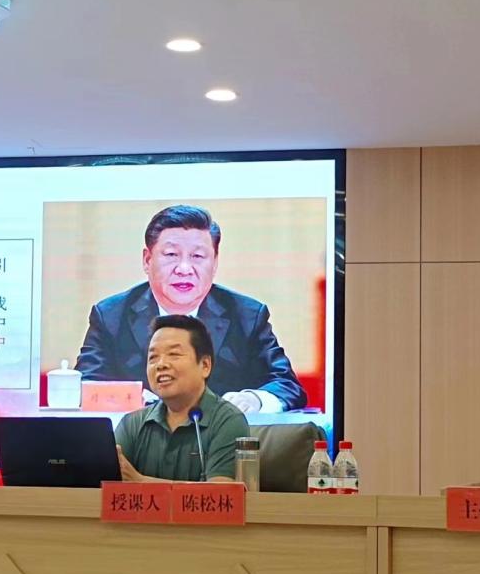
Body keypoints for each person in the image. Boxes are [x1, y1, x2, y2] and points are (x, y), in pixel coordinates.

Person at [75, 204, 308, 412]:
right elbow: (84, 386)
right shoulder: (111, 316)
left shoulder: (247, 315)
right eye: (171, 254)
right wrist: (129, 399)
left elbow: (287, 385)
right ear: (147, 260)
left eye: (197, 256)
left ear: (214, 263)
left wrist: (254, 399)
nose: (184, 269)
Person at [115, 315, 250, 482]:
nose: (161, 364)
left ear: (205, 366)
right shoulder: (132, 424)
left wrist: (140, 482)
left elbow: (220, 493)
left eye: (173, 354)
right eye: (153, 357)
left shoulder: (228, 421)